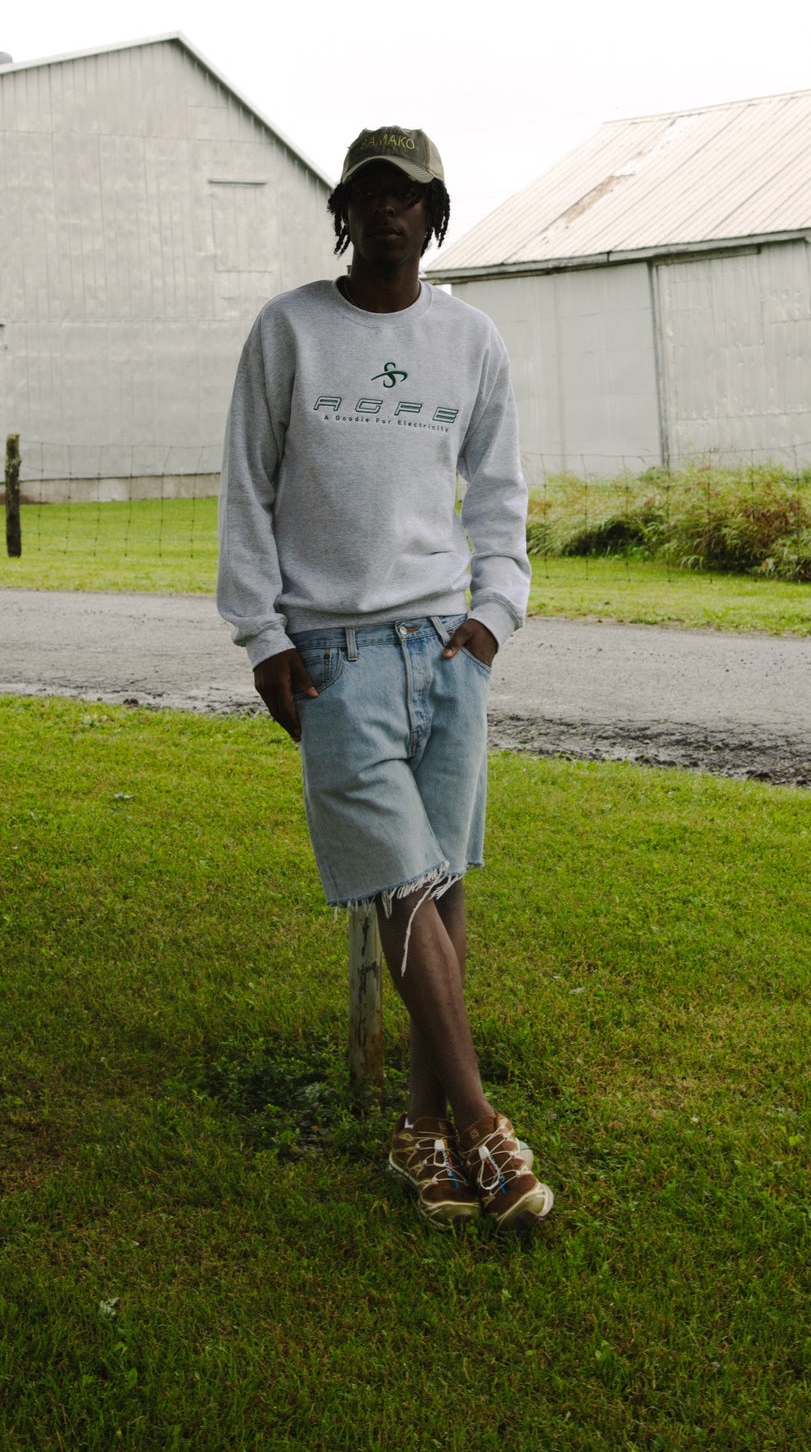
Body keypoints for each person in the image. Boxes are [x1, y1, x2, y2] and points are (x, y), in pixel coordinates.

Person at [216, 125, 553, 1229]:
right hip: (334, 659)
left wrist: (493, 620)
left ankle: (419, 1137)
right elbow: (246, 494)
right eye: (367, 194)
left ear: (434, 213)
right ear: (343, 212)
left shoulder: (471, 341)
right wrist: (263, 638)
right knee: (401, 886)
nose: (387, 212)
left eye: (406, 196)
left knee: (442, 892)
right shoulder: (290, 333)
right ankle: (484, 1127)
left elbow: (498, 499)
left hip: (444, 651)